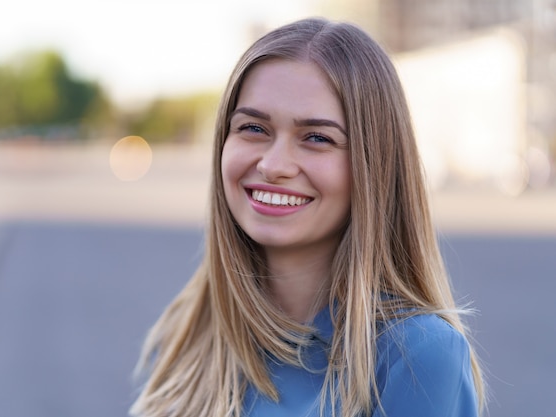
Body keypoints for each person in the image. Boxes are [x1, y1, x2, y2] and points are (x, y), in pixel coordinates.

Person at [130, 17, 485, 417]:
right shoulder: (189, 329)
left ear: (377, 166)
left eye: (317, 137)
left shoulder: (418, 355)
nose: (273, 164)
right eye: (253, 128)